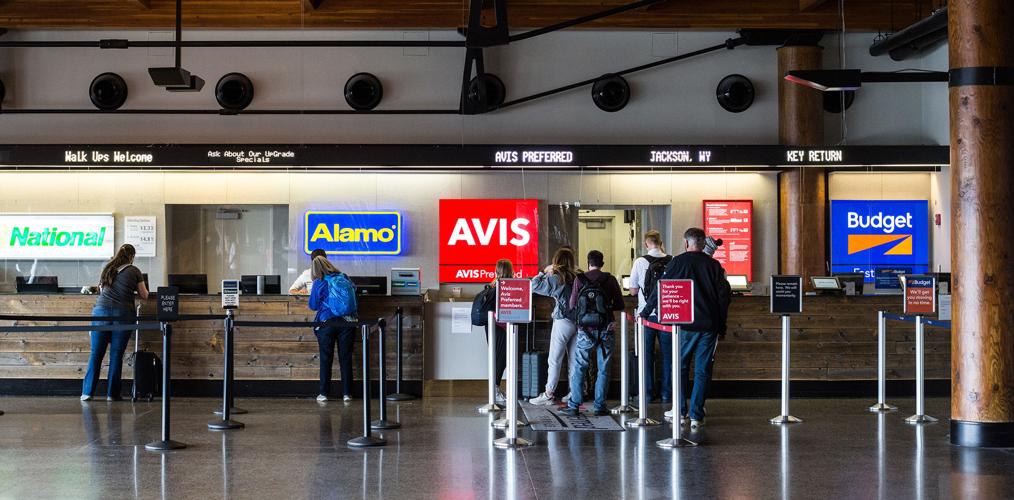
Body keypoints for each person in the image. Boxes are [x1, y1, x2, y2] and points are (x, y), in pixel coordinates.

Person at [643, 228, 731, 429]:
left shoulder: (677, 262)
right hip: (708, 326)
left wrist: (646, 311)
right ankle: (697, 415)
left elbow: (661, 288)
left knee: (680, 367)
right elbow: (723, 298)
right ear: (703, 244)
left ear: (686, 243)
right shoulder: (714, 265)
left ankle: (680, 411)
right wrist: (722, 326)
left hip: (684, 325)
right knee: (702, 370)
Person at [561, 250, 626, 416]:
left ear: (588, 262)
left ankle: (574, 404)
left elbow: (572, 304)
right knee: (603, 368)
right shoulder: (610, 279)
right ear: (602, 263)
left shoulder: (580, 279)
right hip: (606, 330)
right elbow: (619, 304)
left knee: (579, 367)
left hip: (585, 331)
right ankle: (599, 406)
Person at [81, 243, 149, 401]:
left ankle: (87, 393)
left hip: (100, 313)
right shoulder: (134, 270)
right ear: (132, 257)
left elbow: (101, 289)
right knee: (116, 355)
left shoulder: (108, 268)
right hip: (122, 314)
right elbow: (144, 295)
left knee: (96, 354)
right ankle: (112, 394)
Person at [528, 247, 582, 405]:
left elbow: (533, 286)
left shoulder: (557, 277)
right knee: (574, 360)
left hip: (563, 321)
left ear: (556, 261)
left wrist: (543, 272)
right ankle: (573, 394)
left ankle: (549, 393)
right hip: (579, 322)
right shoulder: (579, 275)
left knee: (555, 359)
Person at [627, 230, 672, 403]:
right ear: (661, 242)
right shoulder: (672, 260)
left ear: (646, 244)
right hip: (668, 315)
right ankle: (668, 394)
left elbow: (633, 291)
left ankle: (646, 393)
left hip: (645, 316)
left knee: (645, 356)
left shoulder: (640, 261)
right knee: (669, 356)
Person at [307, 255, 358, 403]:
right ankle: (347, 394)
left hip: (326, 323)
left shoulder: (319, 282)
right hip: (347, 322)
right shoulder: (344, 277)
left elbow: (313, 306)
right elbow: (354, 294)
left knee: (325, 358)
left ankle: (323, 393)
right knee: (346, 358)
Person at [487, 259, 514, 404]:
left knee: (495, 359)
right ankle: (495, 389)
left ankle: (495, 388)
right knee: (501, 360)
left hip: (492, 326)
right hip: (502, 327)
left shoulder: (492, 285)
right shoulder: (509, 286)